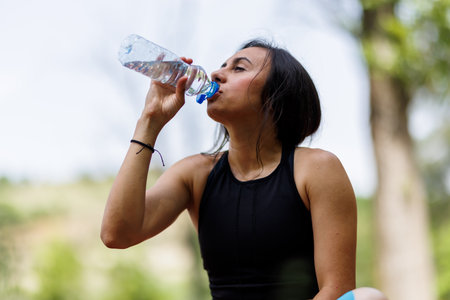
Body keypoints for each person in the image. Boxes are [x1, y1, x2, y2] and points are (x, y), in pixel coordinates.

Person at [101, 39, 387, 300]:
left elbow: (336, 290)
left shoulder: (316, 169)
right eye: (223, 66)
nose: (215, 74)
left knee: (368, 298)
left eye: (239, 68)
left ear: (276, 95)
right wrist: (150, 120)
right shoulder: (195, 174)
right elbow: (117, 234)